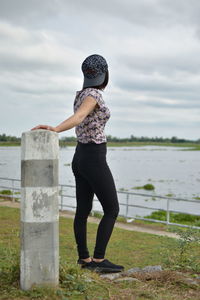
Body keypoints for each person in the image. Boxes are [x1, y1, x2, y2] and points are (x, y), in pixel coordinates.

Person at [32, 54, 124, 273]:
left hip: (80, 156)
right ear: (105, 74)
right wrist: (55, 129)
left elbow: (80, 116)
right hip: (93, 157)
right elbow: (80, 117)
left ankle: (84, 259)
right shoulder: (94, 94)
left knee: (83, 209)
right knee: (112, 208)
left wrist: (58, 128)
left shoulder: (81, 94)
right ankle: (99, 261)